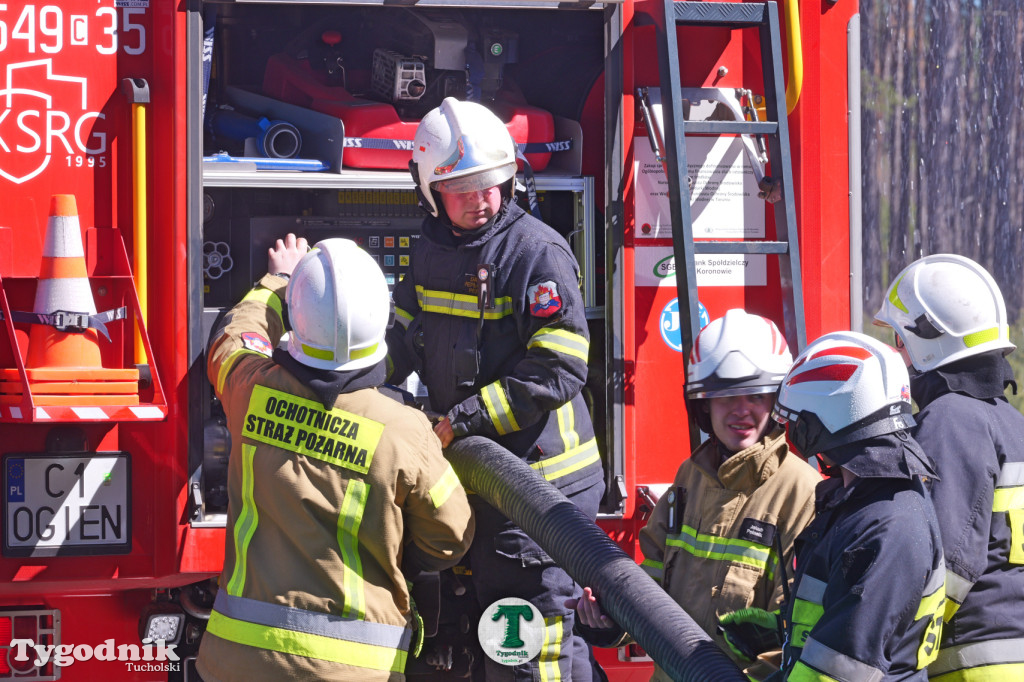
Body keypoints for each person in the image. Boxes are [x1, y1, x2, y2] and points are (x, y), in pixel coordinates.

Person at [385, 97, 606, 680]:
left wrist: (463, 420)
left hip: (539, 490)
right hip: (476, 484)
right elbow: (400, 337)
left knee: (532, 647)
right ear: (429, 191)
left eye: (492, 184)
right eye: (463, 188)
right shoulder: (432, 252)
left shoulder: (535, 252)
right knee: (492, 639)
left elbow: (559, 367)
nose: (482, 200)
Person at [196, 235, 475, 681]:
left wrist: (277, 281)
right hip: (355, 671)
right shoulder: (406, 431)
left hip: (235, 665)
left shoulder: (251, 389)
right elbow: (449, 538)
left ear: (297, 325)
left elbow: (234, 338)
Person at [568, 309, 821, 680]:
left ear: (777, 400)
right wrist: (610, 621)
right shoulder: (690, 478)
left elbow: (795, 638)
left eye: (754, 394)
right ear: (703, 405)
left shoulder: (802, 493)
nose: (741, 410)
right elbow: (649, 590)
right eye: (725, 397)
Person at [719, 331, 946, 681]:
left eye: (798, 420)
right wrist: (785, 630)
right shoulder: (861, 504)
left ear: (829, 420)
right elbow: (843, 616)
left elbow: (843, 669)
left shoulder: (889, 523)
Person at [874, 253, 1024, 681]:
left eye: (901, 341)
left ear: (925, 342)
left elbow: (941, 563)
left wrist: (885, 655)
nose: (898, 355)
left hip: (971, 667)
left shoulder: (950, 420)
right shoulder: (1010, 423)